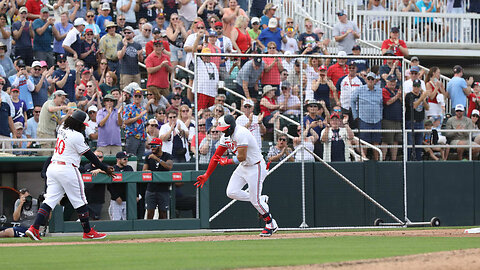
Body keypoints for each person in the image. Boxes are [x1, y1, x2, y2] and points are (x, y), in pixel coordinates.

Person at [26, 110, 115, 241]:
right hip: (67, 168)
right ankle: (88, 232)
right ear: (79, 124)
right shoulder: (77, 136)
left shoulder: (62, 127)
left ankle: (34, 228)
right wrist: (105, 167)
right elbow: (91, 156)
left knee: (49, 200)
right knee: (80, 200)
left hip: (53, 167)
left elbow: (67, 122)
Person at [195, 115, 278, 237]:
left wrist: (227, 161)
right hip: (244, 166)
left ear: (230, 128)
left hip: (256, 166)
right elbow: (215, 157)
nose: (222, 131)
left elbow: (242, 156)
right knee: (231, 192)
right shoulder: (225, 137)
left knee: (255, 201)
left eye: (223, 128)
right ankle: (261, 200)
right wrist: (207, 174)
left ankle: (271, 224)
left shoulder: (241, 133)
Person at [351, 72, 383, 160]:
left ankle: (377, 161)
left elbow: (381, 104)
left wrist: (380, 116)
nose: (370, 81)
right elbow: (352, 100)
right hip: (364, 120)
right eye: (368, 79)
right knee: (364, 142)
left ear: (375, 80)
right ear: (366, 79)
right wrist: (355, 115)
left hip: (376, 120)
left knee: (376, 142)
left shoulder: (380, 90)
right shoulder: (360, 89)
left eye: (372, 79)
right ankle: (364, 160)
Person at [143, 138, 173, 219]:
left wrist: (157, 159)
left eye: (154, 146)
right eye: (151, 146)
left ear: (160, 146)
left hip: (163, 189)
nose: (152, 147)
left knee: (163, 212)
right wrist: (146, 171)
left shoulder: (167, 155)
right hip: (151, 188)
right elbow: (144, 170)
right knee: (150, 212)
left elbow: (169, 166)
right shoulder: (148, 157)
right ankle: (149, 230)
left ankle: (163, 230)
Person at [36, 90, 68, 154]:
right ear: (56, 96)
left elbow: (59, 122)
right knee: (46, 155)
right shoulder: (49, 102)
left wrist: (68, 114)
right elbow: (50, 109)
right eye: (62, 98)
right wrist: (62, 107)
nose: (63, 100)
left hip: (52, 134)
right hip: (44, 133)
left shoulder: (57, 109)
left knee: (54, 155)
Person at [405, 79, 430, 161]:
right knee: (410, 143)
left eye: (418, 86)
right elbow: (414, 106)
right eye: (415, 86)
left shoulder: (422, 95)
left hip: (420, 122)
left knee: (419, 143)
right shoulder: (409, 96)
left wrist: (423, 99)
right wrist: (422, 97)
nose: (416, 88)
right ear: (412, 86)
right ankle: (408, 160)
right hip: (411, 122)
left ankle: (418, 160)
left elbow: (427, 108)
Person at [123, 88, 148, 160]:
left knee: (140, 159)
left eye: (139, 96)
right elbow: (126, 121)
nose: (137, 98)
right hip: (132, 136)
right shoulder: (128, 107)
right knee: (131, 159)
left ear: (142, 97)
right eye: (136, 96)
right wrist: (139, 116)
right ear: (133, 97)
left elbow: (145, 123)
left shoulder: (143, 109)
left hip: (142, 138)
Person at [107, 151, 133, 220]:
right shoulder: (113, 169)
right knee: (116, 220)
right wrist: (116, 197)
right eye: (124, 159)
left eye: (127, 159)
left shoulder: (129, 168)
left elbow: (133, 182)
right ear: (118, 160)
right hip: (116, 201)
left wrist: (135, 195)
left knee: (128, 221)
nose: (126, 161)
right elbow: (109, 186)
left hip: (127, 199)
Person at [83, 151, 107, 220]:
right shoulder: (86, 166)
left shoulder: (104, 166)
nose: (98, 158)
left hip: (97, 199)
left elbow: (111, 170)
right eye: (96, 156)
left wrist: (100, 170)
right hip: (86, 197)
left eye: (100, 157)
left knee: (95, 218)